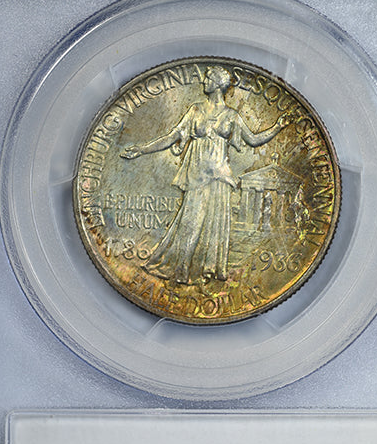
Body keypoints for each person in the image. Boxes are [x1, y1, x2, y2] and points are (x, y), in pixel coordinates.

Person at [121, 66, 290, 284]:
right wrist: (142, 149)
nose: (204, 81)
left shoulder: (231, 116)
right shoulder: (195, 110)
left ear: (219, 84)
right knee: (190, 220)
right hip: (196, 175)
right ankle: (182, 266)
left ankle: (206, 269)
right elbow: (172, 136)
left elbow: (254, 140)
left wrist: (277, 127)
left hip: (219, 176)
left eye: (209, 78)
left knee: (214, 223)